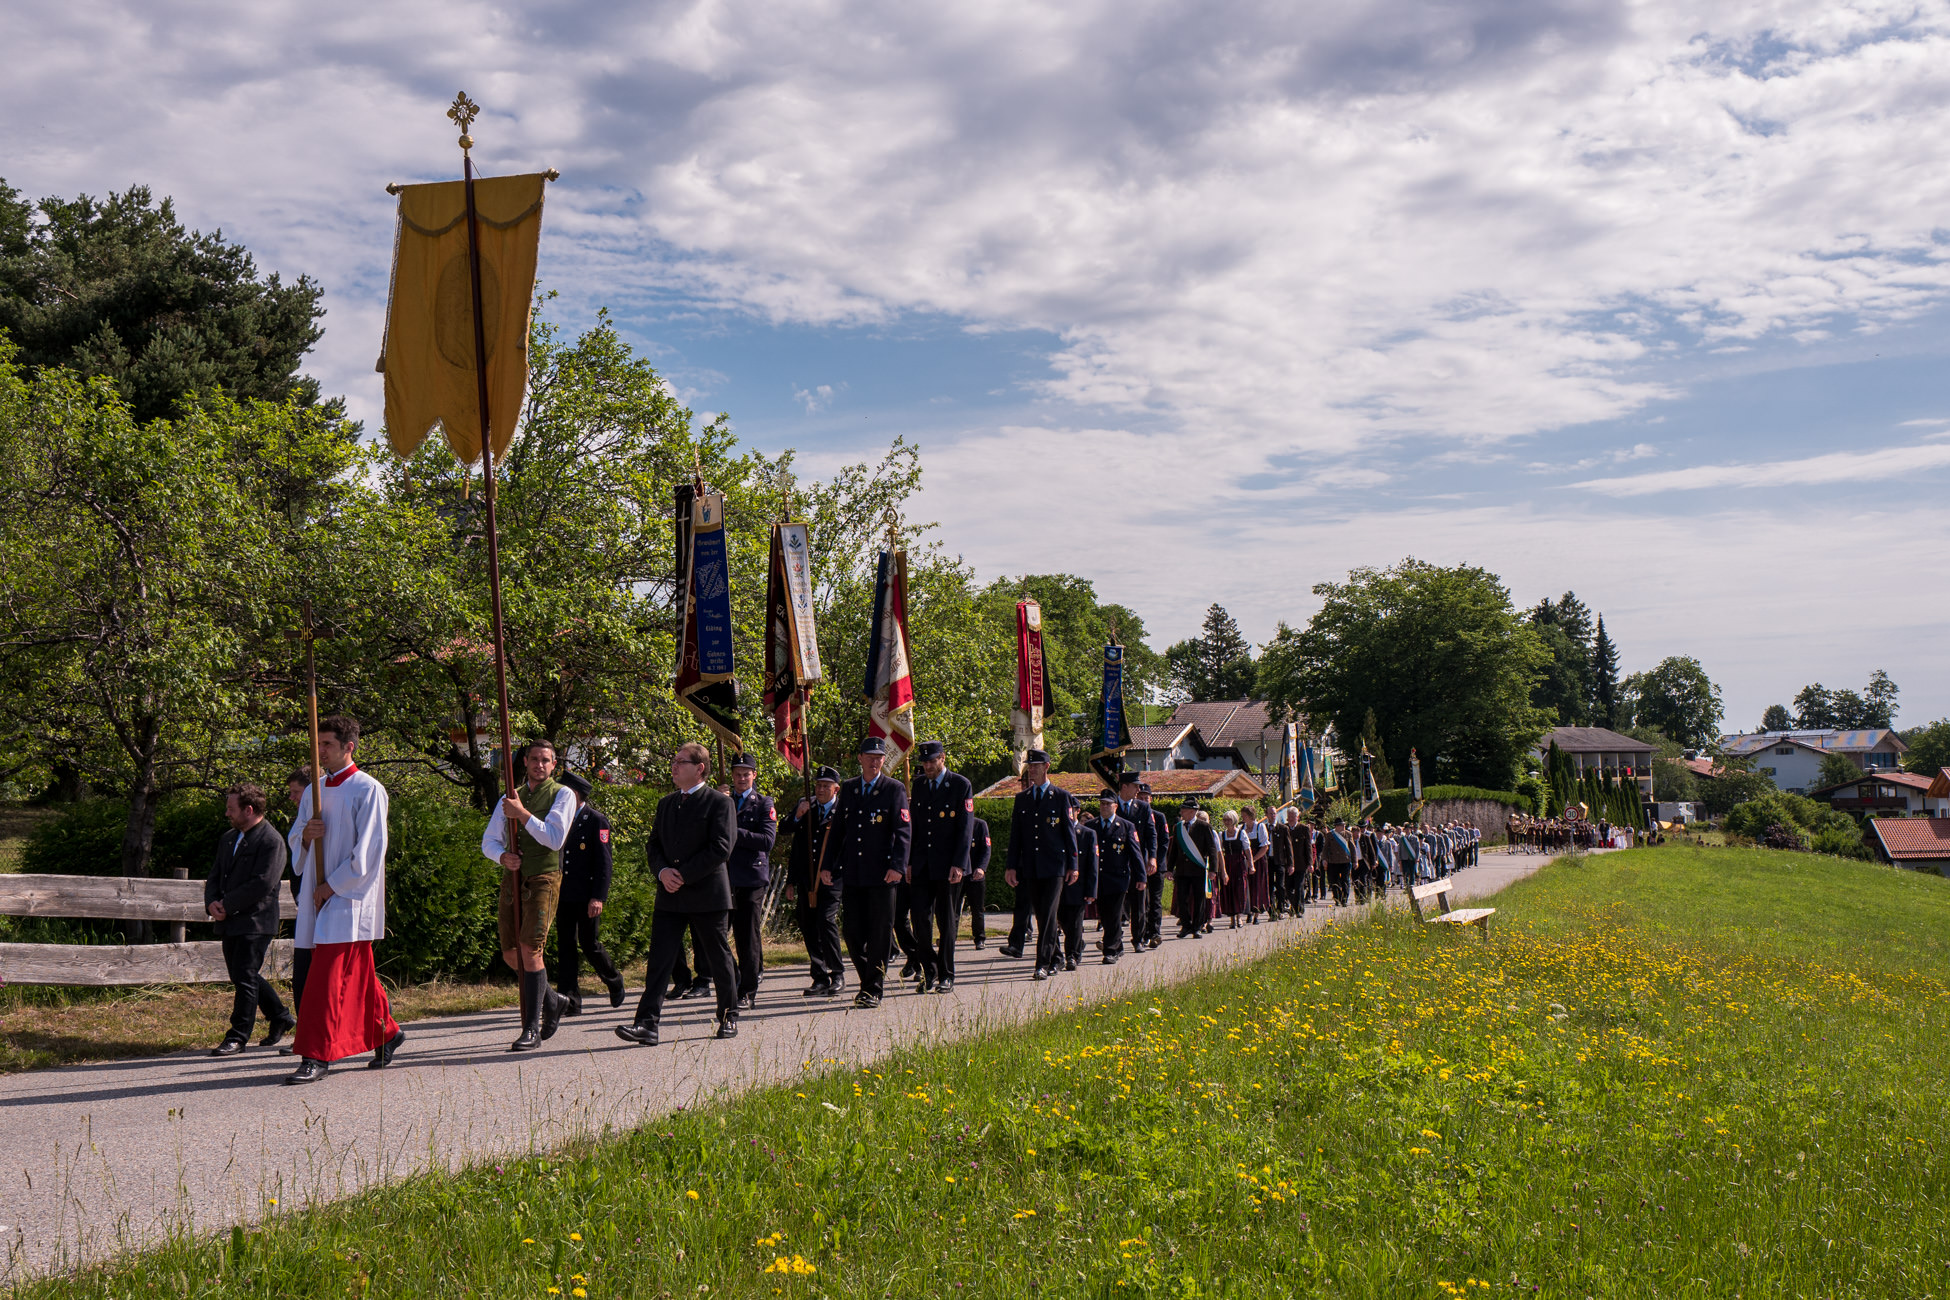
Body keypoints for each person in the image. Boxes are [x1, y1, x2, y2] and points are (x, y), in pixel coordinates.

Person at [284, 716, 404, 1084]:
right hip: (316, 895)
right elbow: (296, 840)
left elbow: (370, 851)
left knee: (328, 980)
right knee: (357, 976)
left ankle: (316, 1054)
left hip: (348, 899)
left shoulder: (369, 790)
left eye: (328, 745)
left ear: (349, 747)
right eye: (318, 744)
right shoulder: (314, 791)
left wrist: (332, 886)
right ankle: (387, 1032)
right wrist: (307, 836)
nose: (320, 751)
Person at [615, 742, 740, 1046]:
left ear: (699, 768)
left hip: (707, 894)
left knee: (717, 957)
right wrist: (662, 872)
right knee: (660, 960)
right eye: (674, 761)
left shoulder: (719, 803)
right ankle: (646, 1025)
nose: (674, 766)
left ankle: (728, 1016)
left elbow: (721, 848)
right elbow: (653, 845)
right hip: (670, 894)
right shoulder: (667, 803)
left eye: (681, 762)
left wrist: (682, 874)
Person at [482, 739, 577, 1052]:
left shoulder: (562, 794)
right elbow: (489, 841)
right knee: (511, 953)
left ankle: (531, 1028)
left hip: (544, 878)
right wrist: (502, 857)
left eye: (545, 760)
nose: (539, 765)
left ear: (554, 765)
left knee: (530, 949)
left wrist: (521, 814)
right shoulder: (510, 797)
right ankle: (553, 1000)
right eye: (534, 759)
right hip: (514, 879)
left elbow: (554, 838)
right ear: (525, 762)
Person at [818, 736, 912, 1008]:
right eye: (869, 756)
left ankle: (872, 990)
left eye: (879, 757)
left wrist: (897, 866)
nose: (874, 761)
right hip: (854, 873)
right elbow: (838, 831)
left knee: (880, 934)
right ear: (860, 758)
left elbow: (903, 832)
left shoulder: (893, 789)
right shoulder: (849, 788)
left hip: (883, 875)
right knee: (852, 933)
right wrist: (827, 865)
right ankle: (868, 980)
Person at [204, 783, 295, 1056]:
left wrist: (227, 904)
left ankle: (238, 1036)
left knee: (244, 976)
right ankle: (280, 1016)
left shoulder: (271, 841)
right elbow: (215, 874)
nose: (227, 814)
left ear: (249, 810)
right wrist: (212, 902)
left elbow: (263, 882)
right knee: (242, 974)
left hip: (256, 921)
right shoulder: (228, 838)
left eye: (231, 809)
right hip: (230, 919)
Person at [554, 772, 625, 1015]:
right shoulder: (559, 818)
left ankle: (614, 980)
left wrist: (598, 897)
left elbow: (604, 863)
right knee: (565, 946)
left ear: (575, 795)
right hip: (563, 893)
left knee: (589, 943)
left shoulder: (596, 820)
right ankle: (570, 1001)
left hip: (586, 895)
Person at [907, 740, 974, 994]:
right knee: (920, 922)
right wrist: (909, 862)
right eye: (924, 762)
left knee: (946, 922)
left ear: (942, 758)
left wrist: (959, 863)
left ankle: (946, 974)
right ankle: (930, 970)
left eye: (932, 761)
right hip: (922, 865)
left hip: (948, 867)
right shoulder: (919, 785)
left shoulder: (960, 785)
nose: (927, 766)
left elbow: (965, 829)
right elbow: (914, 828)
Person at [1004, 750, 1077, 980]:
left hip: (1055, 866)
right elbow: (1016, 836)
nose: (1032, 769)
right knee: (1042, 915)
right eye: (1030, 765)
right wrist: (1011, 866)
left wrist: (1073, 865)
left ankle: (1042, 963)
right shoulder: (1022, 798)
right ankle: (1057, 956)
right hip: (1031, 866)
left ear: (1046, 766)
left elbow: (1069, 834)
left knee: (1049, 912)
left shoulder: (1061, 796)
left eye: (1036, 765)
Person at [784, 766, 846, 997]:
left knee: (825, 920)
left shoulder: (842, 810)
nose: (820, 790)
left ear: (836, 789)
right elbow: (788, 834)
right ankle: (819, 976)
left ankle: (837, 973)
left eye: (825, 786)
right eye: (818, 785)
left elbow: (846, 845)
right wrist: (798, 815)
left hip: (832, 879)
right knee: (808, 924)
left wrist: (834, 869)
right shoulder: (806, 806)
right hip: (807, 878)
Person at [725, 753, 778, 1011]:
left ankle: (747, 991)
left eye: (746, 774)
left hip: (751, 878)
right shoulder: (723, 801)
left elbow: (767, 841)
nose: (741, 778)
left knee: (747, 937)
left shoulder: (763, 803)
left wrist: (734, 831)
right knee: (713, 935)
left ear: (754, 775)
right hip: (724, 877)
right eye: (737, 774)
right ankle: (736, 978)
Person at [1092, 791, 1144, 964]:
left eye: (1108, 804)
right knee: (1104, 914)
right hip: (1099, 878)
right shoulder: (1092, 826)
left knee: (1114, 914)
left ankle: (1110, 950)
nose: (1104, 807)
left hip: (1118, 878)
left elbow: (1135, 853)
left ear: (1115, 806)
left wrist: (1141, 877)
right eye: (1102, 804)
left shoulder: (1126, 826)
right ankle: (1118, 945)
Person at [1057, 795, 1098, 971]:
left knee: (1075, 924)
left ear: (1077, 811)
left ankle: (1072, 956)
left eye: (1071, 810)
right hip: (1059, 886)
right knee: (1062, 921)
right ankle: (1077, 944)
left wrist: (1091, 890)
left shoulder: (1087, 834)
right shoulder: (1057, 831)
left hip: (1078, 887)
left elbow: (1092, 864)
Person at [1168, 798, 1217, 938]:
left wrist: (1213, 869)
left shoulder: (1204, 826)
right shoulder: (1178, 827)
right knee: (1181, 899)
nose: (1181, 812)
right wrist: (1169, 869)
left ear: (1192, 811)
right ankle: (1186, 926)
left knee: (1199, 899)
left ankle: (1196, 927)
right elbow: (1174, 850)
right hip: (1182, 870)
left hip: (1198, 869)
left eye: (1183, 810)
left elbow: (1212, 849)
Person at [1136, 781, 1168, 948]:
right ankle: (1142, 933)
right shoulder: (1134, 815)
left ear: (1151, 799)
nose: (1143, 801)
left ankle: (1154, 932)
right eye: (1140, 798)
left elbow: (1164, 842)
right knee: (1141, 902)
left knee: (1155, 900)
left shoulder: (1159, 817)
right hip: (1139, 865)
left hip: (1156, 866)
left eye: (1146, 798)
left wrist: (1155, 861)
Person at [1217, 810, 1248, 928]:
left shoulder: (1241, 833)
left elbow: (1247, 849)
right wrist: (1220, 867)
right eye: (1225, 820)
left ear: (1234, 820)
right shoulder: (1222, 834)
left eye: (1229, 819)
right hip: (1227, 863)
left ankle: (1239, 917)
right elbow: (1219, 851)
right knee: (1228, 890)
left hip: (1239, 863)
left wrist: (1251, 864)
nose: (1226, 822)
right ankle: (1232, 919)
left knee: (1239, 889)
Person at [966, 815, 992, 949]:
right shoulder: (954, 823)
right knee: (952, 909)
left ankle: (979, 938)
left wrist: (982, 868)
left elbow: (986, 849)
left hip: (975, 874)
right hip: (959, 873)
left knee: (977, 909)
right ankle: (949, 938)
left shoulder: (980, 825)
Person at [1320, 817, 1355, 907]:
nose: (1343, 826)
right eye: (1341, 825)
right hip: (1333, 861)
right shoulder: (1330, 835)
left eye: (1344, 825)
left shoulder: (1348, 834)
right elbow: (1325, 848)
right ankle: (1337, 898)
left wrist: (1355, 861)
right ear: (1336, 826)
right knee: (1334, 881)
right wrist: (1324, 859)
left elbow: (1352, 848)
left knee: (1345, 880)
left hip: (1345, 861)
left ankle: (1344, 899)